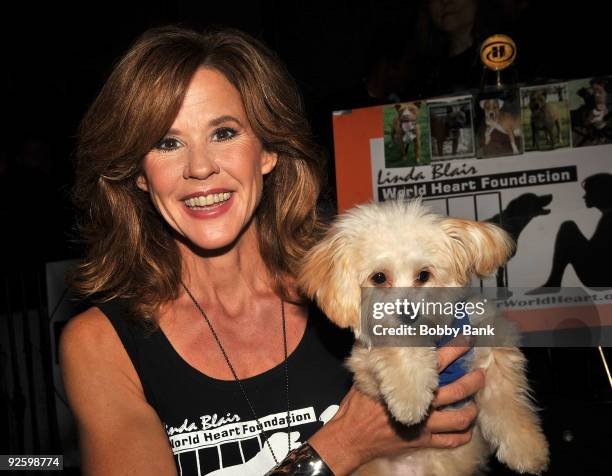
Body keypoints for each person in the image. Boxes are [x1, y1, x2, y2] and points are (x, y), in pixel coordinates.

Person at [59, 26, 484, 475]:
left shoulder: (355, 284)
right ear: (139, 174)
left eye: (224, 133)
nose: (201, 167)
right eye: (167, 143)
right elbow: (350, 442)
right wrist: (343, 445)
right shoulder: (102, 344)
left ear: (267, 152)